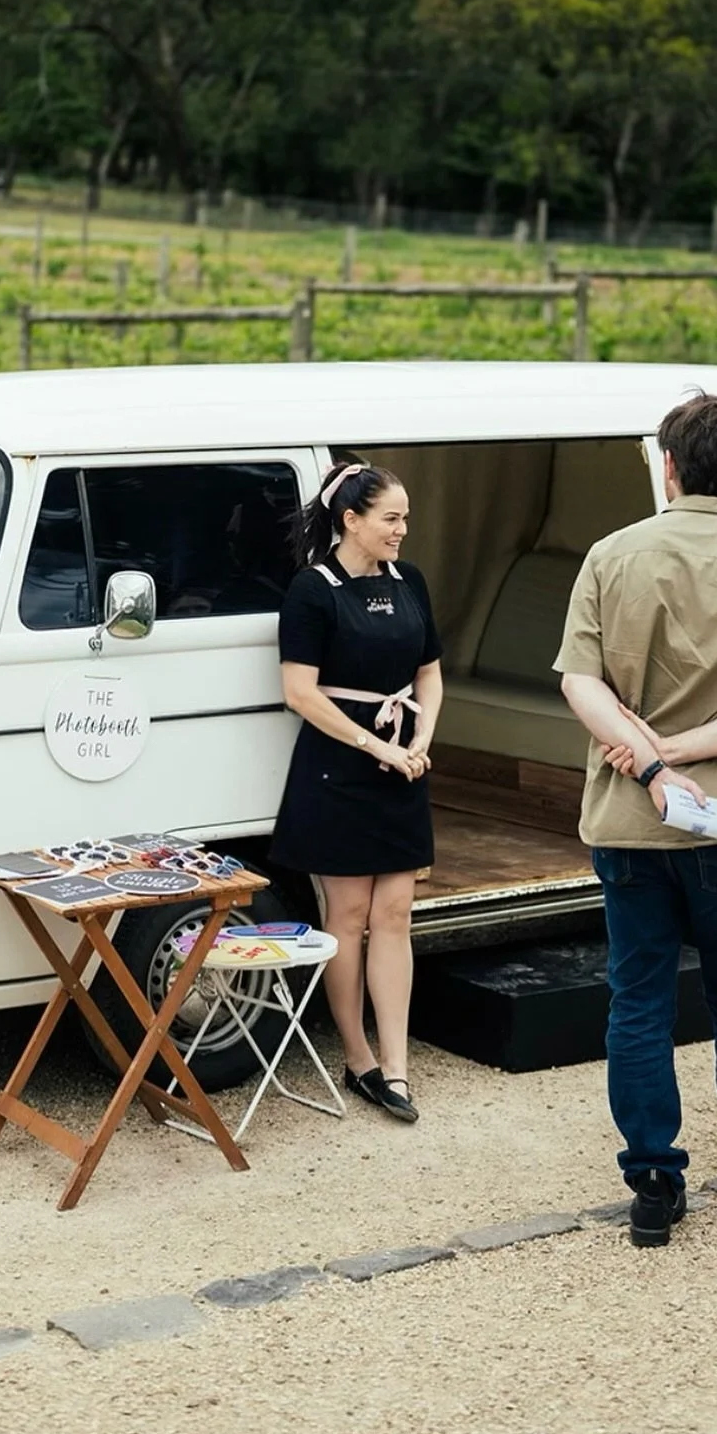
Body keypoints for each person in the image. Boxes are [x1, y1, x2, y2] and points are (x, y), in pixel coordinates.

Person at [555, 393, 717, 1246]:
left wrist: (650, 756)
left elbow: (578, 682)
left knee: (638, 1001)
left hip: (630, 816)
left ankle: (654, 1190)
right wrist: (688, 750)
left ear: (668, 467)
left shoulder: (611, 553)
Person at [270, 458, 444, 1124]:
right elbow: (299, 693)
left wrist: (421, 739)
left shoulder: (411, 582)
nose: (403, 530)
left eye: (405, 518)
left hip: (403, 759)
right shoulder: (312, 590)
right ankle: (357, 1056)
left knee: (395, 914)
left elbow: (429, 672)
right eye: (391, 519)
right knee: (346, 917)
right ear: (352, 521)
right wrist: (378, 747)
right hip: (338, 766)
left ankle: (396, 1067)